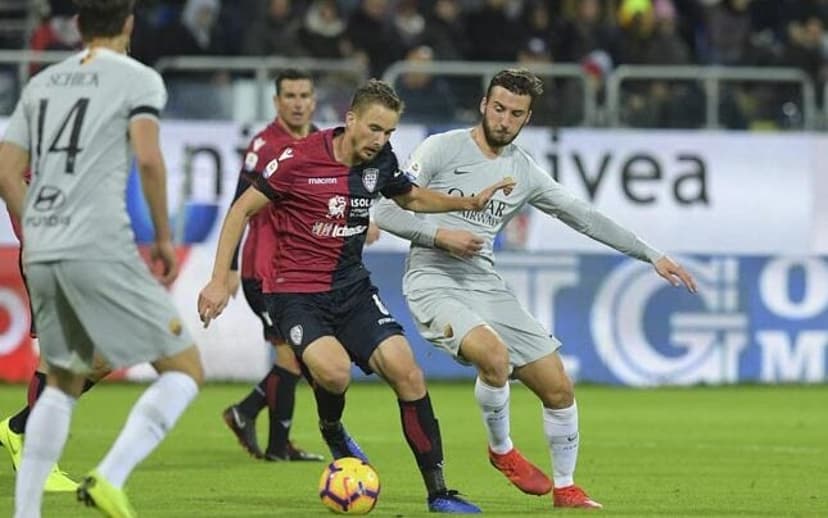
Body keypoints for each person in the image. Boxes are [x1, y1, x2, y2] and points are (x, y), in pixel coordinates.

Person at [374, 68, 697, 509]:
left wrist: (652, 255)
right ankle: (502, 450)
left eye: (516, 113)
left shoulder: (523, 172)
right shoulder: (440, 148)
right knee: (494, 357)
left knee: (558, 387)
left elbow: (583, 216)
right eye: (499, 108)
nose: (505, 120)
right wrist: (439, 235)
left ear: (528, 119)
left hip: (484, 281)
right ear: (484, 105)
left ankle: (566, 487)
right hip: (433, 278)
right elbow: (385, 212)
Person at [198, 79, 514, 513]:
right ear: (350, 120)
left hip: (352, 289)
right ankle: (332, 429)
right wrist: (219, 279)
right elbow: (240, 211)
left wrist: (469, 203)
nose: (380, 140)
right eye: (374, 129)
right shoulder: (296, 159)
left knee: (408, 373)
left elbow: (412, 198)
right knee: (334, 372)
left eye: (388, 132)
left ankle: (440, 492)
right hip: (295, 293)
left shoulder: (380, 161)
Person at [0, 1, 204, 516]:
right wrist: (162, 236)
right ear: (129, 25)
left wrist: (38, 230)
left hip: (42, 247)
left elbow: (5, 171)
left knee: (65, 377)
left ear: (78, 28)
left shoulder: (43, 84)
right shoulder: (138, 80)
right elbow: (150, 159)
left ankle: (25, 509)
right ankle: (110, 478)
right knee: (184, 368)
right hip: (98, 244)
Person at [221, 68, 324, 462]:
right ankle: (253, 421)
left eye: (304, 95)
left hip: (299, 269)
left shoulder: (321, 142)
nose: (298, 103)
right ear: (276, 101)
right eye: (290, 96)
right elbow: (239, 206)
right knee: (291, 356)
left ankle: (264, 431)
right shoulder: (264, 145)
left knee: (295, 357)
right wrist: (228, 269)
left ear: (314, 100)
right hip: (261, 270)